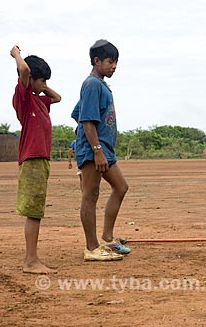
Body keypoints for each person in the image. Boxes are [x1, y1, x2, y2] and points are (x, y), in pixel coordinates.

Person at [71, 39, 130, 261]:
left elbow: (77, 112)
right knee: (90, 195)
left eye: (116, 62)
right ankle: (92, 248)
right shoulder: (92, 84)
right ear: (96, 61)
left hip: (104, 150)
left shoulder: (101, 85)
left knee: (121, 187)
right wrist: (95, 149)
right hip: (94, 151)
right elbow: (85, 120)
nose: (114, 66)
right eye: (109, 61)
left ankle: (106, 236)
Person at [10, 45, 61, 274]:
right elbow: (23, 70)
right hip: (32, 160)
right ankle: (31, 261)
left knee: (36, 210)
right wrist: (16, 54)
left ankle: (32, 259)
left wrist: (43, 86)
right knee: (34, 212)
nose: (43, 85)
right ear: (30, 80)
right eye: (40, 80)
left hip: (41, 161)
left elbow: (58, 98)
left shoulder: (40, 101)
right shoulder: (24, 99)